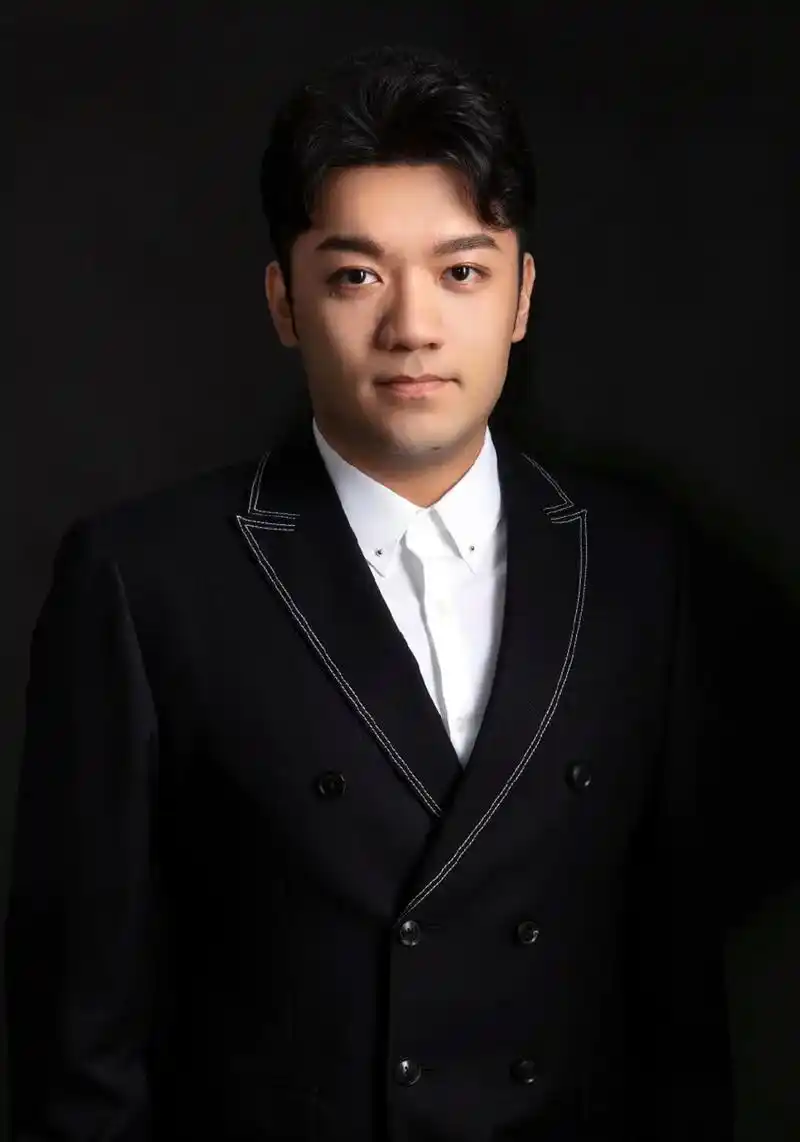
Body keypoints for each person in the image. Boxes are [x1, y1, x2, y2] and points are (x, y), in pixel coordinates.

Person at [4, 42, 733, 1141]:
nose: (412, 327)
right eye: (356, 276)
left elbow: (679, 998)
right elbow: (79, 1034)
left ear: (522, 296)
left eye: (461, 272)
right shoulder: (141, 577)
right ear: (284, 300)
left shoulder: (636, 562)